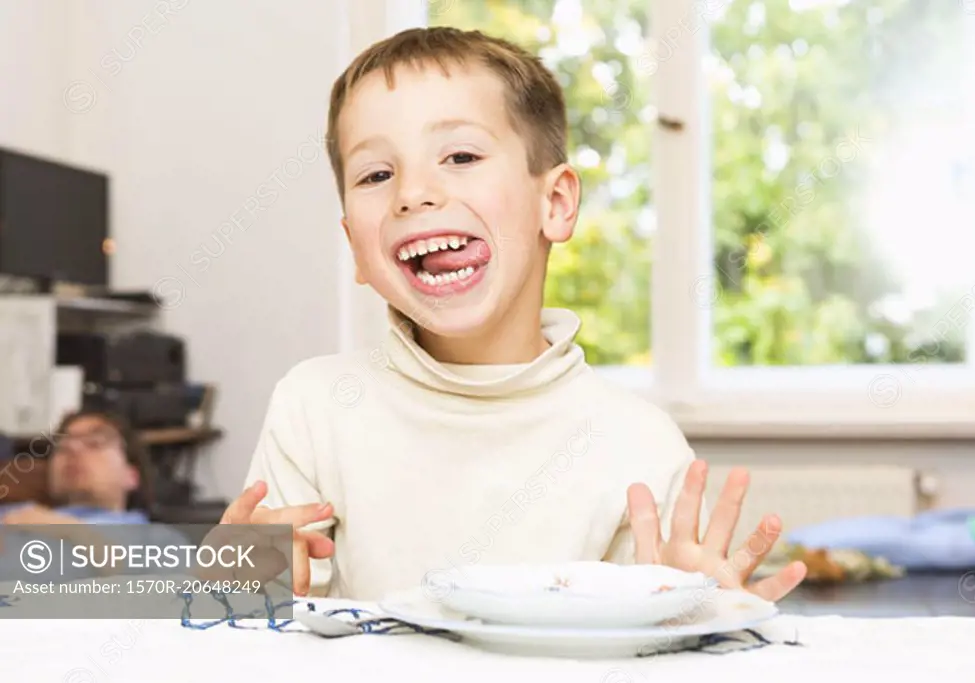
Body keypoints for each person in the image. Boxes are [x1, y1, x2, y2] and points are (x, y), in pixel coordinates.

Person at [220, 26, 808, 602]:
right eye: (377, 174)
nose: (412, 193)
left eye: (460, 155)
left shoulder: (638, 446)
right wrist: (237, 588)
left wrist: (692, 611)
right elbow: (265, 629)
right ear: (356, 248)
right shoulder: (314, 407)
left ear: (553, 203)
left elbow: (656, 635)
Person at [0, 410, 154, 526]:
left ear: (132, 475)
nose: (72, 448)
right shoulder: (17, 513)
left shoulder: (153, 539)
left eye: (94, 443)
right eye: (61, 447)